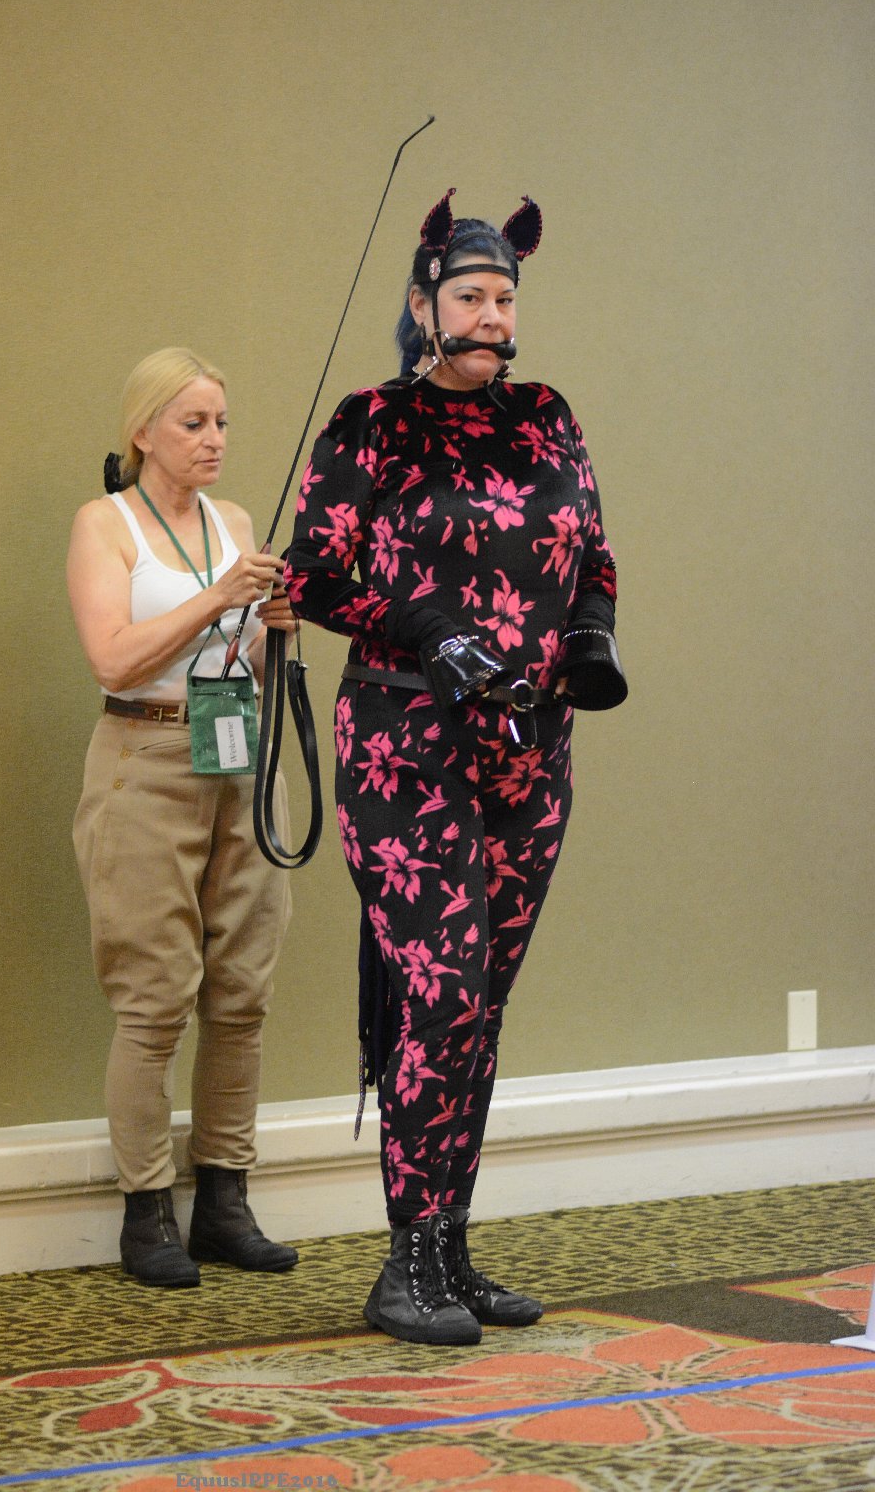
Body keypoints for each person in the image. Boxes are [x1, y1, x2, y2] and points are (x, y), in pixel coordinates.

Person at [285, 190, 626, 1345]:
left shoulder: (548, 417)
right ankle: (406, 1264)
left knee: (482, 1002)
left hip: (530, 751)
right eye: (471, 296)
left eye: (505, 298)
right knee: (439, 988)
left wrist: (589, 633)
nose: (492, 317)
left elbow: (593, 553)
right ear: (423, 303)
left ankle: (452, 1250)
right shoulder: (371, 423)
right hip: (404, 744)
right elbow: (311, 573)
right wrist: (426, 624)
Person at [68, 346, 297, 1287]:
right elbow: (114, 659)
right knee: (154, 997)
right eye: (193, 422)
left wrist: (275, 621)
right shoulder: (106, 523)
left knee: (242, 994)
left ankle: (225, 1203)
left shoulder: (232, 522)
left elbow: (247, 650)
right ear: (144, 431)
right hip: (145, 759)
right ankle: (147, 1211)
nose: (214, 439)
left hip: (238, 754)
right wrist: (219, 598)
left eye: (222, 422)